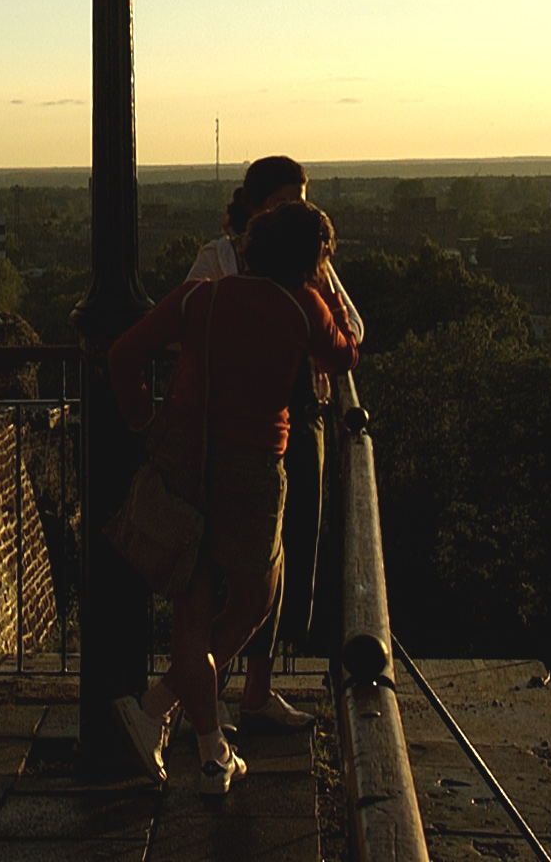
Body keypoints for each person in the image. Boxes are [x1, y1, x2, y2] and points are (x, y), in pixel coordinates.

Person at [107, 197, 357, 792]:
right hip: (254, 467)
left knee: (191, 605)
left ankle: (174, 724)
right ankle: (173, 722)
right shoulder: (305, 308)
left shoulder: (204, 297)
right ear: (311, 259)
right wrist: (327, 284)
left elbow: (124, 353)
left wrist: (146, 423)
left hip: (185, 458)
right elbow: (346, 351)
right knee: (254, 599)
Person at [186, 156, 364, 733]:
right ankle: (197, 693)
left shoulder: (308, 266)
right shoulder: (218, 260)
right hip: (235, 430)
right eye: (289, 201)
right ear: (258, 202)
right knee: (229, 571)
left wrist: (319, 284)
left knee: (286, 564)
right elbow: (192, 320)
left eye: (303, 201)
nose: (300, 211)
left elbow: (352, 334)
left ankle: (252, 692)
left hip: (297, 422)